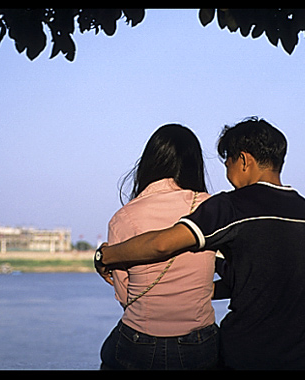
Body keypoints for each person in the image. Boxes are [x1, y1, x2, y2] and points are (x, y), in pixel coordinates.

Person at [96, 117, 305, 370]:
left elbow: (162, 243)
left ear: (243, 160)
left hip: (254, 354)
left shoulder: (233, 206)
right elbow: (257, 280)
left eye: (227, 161)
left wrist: (106, 256)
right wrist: (200, 289)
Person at [97, 124, 219, 370]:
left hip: (139, 340)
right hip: (199, 341)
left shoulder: (124, 217)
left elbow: (125, 295)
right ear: (194, 163)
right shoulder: (211, 207)